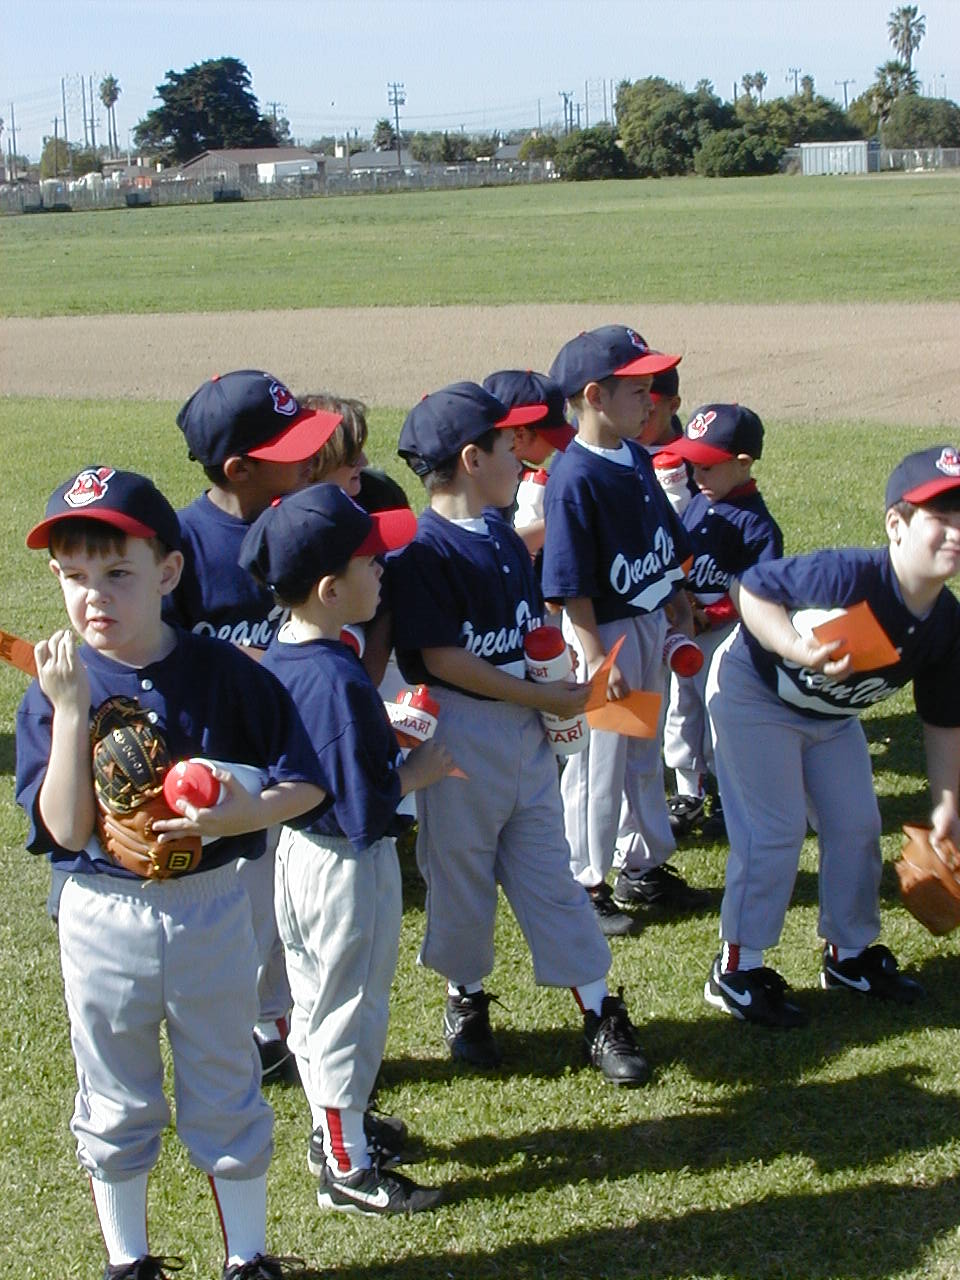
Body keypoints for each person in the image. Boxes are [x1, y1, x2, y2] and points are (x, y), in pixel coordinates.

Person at [15, 466, 326, 1280]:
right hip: (101, 908)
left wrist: (239, 815)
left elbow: (304, 783)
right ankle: (128, 1261)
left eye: (118, 573)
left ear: (169, 571)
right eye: (74, 577)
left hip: (210, 903)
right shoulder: (56, 688)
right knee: (115, 1090)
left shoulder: (224, 673)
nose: (95, 597)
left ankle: (247, 1257)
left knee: (224, 1076)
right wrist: (72, 708)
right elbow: (66, 829)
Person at [387, 381, 650, 1086]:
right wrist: (540, 694)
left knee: (550, 875)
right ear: (471, 460)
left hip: (525, 730)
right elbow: (444, 658)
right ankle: (465, 996)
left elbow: (528, 628)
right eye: (508, 447)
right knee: (461, 878)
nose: (522, 459)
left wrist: (555, 678)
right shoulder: (423, 551)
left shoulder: (501, 532)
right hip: (458, 736)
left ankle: (599, 1009)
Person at [239, 484, 452, 1215]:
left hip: (301, 855)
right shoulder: (337, 678)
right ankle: (346, 1167)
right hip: (344, 865)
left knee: (317, 999)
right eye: (372, 561)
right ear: (331, 591)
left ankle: (335, 1128)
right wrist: (420, 768)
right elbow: (365, 800)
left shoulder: (288, 652)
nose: (383, 569)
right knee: (348, 1011)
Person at [703, 444, 960, 1028]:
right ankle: (737, 968)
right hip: (754, 693)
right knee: (774, 830)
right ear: (896, 525)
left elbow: (944, 719)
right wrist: (796, 647)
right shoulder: (851, 574)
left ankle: (849, 954)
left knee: (857, 825)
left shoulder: (946, 623)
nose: (954, 532)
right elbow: (751, 589)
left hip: (831, 717)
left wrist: (947, 805)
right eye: (939, 518)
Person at [168, 369, 344, 1084]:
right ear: (240, 469)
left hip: (297, 753)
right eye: (289, 448)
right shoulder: (181, 544)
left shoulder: (303, 522)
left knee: (291, 913)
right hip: (226, 767)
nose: (309, 457)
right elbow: (163, 657)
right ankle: (235, 1036)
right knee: (239, 916)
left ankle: (275, 1028)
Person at [542, 325, 707, 937]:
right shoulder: (574, 478)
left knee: (641, 751)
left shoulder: (634, 458)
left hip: (644, 624)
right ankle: (583, 881)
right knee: (599, 764)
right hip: (605, 636)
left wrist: (677, 599)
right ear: (595, 396)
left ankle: (640, 864)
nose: (651, 400)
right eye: (638, 390)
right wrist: (593, 658)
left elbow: (662, 541)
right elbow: (570, 584)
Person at [660, 404, 783, 839]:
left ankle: (726, 796)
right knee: (681, 710)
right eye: (693, 466)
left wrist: (710, 615)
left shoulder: (758, 527)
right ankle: (687, 792)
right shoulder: (697, 506)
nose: (697, 476)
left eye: (708, 467)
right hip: (687, 632)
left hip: (726, 639)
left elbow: (760, 596)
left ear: (743, 463)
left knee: (718, 717)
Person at [480, 369, 574, 557]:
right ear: (520, 435)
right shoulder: (484, 485)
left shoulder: (517, 476)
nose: (555, 446)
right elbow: (492, 549)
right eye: (551, 437)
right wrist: (560, 521)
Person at [634, 365, 698, 517]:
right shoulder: (618, 449)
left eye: (649, 412)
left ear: (673, 406)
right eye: (630, 410)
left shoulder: (693, 463)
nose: (637, 419)